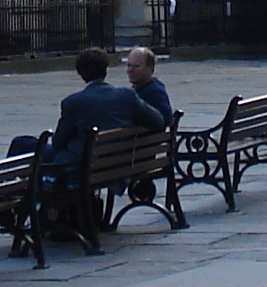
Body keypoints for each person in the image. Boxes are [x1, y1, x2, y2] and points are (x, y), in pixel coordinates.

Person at [17, 48, 167, 252]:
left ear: (80, 73)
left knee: (23, 144)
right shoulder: (126, 96)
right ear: (105, 70)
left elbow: (59, 143)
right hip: (114, 165)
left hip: (79, 168)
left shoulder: (74, 102)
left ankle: (8, 210)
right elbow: (159, 121)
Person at [124, 45, 175, 130]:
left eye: (136, 66)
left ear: (150, 67)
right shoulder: (139, 89)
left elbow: (165, 119)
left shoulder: (155, 93)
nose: (130, 70)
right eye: (129, 66)